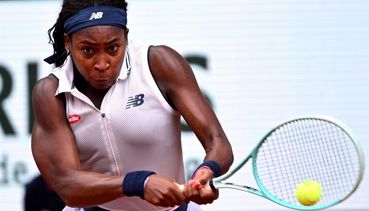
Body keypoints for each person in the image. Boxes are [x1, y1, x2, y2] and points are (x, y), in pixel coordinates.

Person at [31, 0, 233, 210]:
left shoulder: (158, 64)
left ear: (126, 37)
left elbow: (217, 142)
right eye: (88, 51)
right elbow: (67, 186)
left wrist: (207, 170)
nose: (102, 64)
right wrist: (139, 183)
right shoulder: (50, 93)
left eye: (113, 48)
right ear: (67, 42)